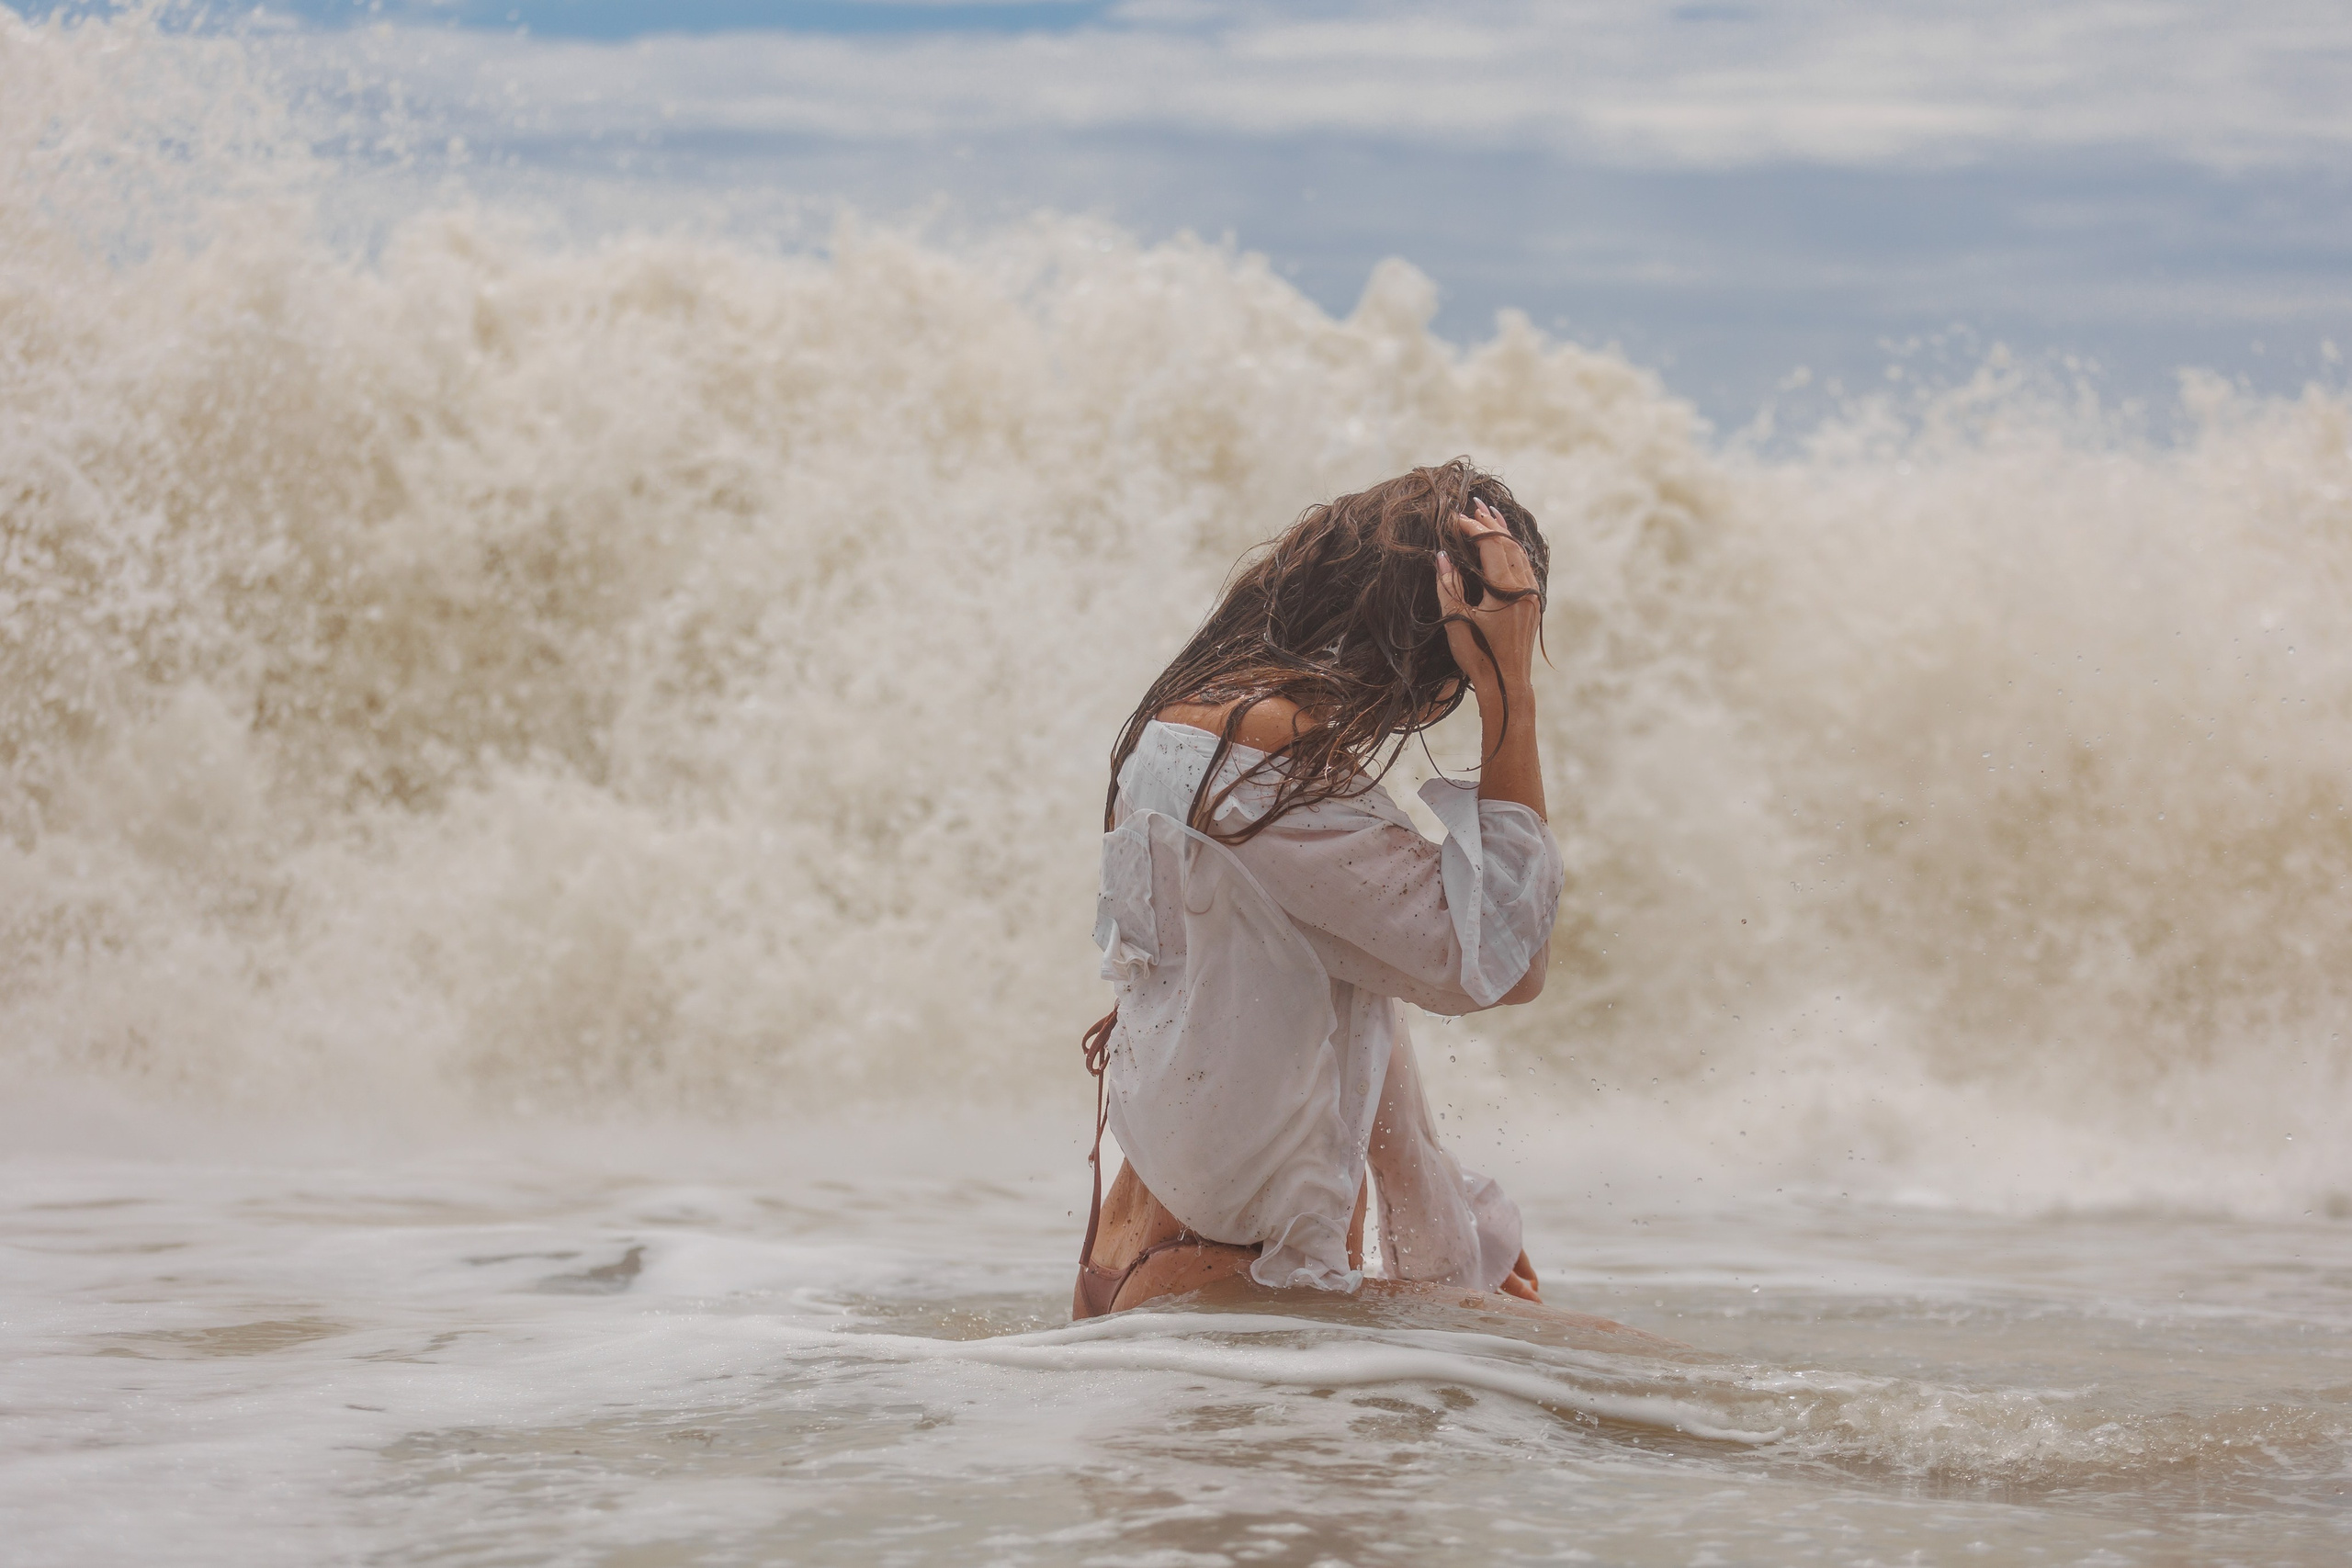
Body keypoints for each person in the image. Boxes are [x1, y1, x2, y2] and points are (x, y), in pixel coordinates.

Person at [1075, 457, 1565, 1320]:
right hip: (1234, 1290)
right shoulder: (1263, 769)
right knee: (1723, 1411)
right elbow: (1503, 960)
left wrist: (1450, 1214)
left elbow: (1326, 1000)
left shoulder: (1178, 739)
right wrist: (1509, 694)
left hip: (1161, 1270)